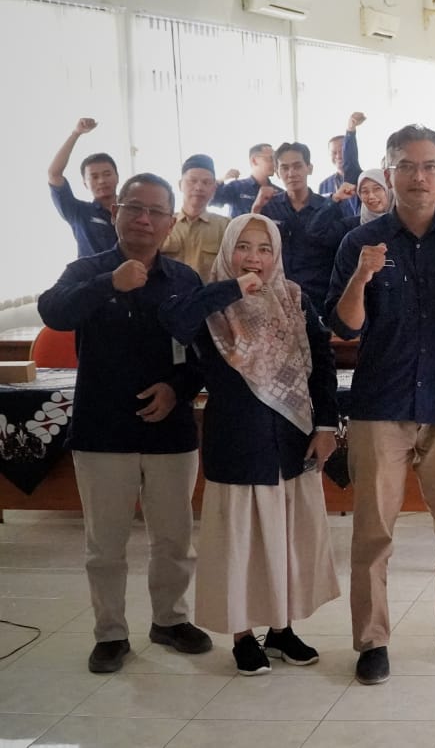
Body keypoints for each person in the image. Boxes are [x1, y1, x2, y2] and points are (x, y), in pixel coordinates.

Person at [326, 125, 435, 685]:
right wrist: (361, 276)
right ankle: (372, 640)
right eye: (406, 165)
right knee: (374, 531)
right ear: (387, 171)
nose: (418, 176)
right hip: (381, 405)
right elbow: (343, 325)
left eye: (429, 166)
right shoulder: (362, 242)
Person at [37, 173, 213, 673]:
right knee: (106, 544)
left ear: (170, 220)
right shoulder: (87, 269)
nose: (143, 219)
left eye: (156, 212)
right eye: (134, 208)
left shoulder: (184, 280)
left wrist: (177, 388)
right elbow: (54, 312)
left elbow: (205, 352)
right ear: (116, 213)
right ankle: (111, 632)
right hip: (103, 431)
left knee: (175, 537)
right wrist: (106, 284)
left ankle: (170, 619)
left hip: (171, 431)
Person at [160, 215, 341, 675]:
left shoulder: (295, 298)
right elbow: (175, 321)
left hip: (291, 441)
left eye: (264, 248)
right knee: (241, 541)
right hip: (237, 441)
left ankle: (281, 630)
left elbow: (321, 364)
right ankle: (242, 634)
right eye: (243, 247)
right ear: (227, 251)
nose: (255, 258)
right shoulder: (209, 304)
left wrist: (325, 426)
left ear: (276, 253)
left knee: (286, 539)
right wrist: (232, 290)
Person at [255, 143, 338, 314]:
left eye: (297, 166)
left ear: (309, 168)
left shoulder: (329, 208)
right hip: (278, 298)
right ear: (277, 173)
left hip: (320, 299)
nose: (291, 173)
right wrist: (255, 210)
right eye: (284, 168)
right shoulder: (269, 207)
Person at [47, 117, 118, 257]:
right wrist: (76, 133)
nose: (102, 181)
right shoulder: (78, 212)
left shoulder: (133, 210)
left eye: (107, 174)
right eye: (94, 177)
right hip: (93, 278)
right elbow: (54, 174)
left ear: (117, 176)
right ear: (85, 183)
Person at [161, 154, 230, 280]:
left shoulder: (226, 226)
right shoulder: (162, 223)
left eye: (206, 182)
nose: (199, 187)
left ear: (214, 189)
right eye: (192, 181)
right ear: (180, 185)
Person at [318, 112, 366, 218]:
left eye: (342, 151)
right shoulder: (324, 185)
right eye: (334, 152)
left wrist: (350, 130)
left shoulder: (363, 178)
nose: (338, 156)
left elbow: (350, 161)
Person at [214, 143, 278, 217]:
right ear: (254, 161)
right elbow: (212, 200)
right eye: (270, 159)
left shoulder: (279, 193)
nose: (274, 163)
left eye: (275, 159)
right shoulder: (236, 187)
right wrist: (222, 179)